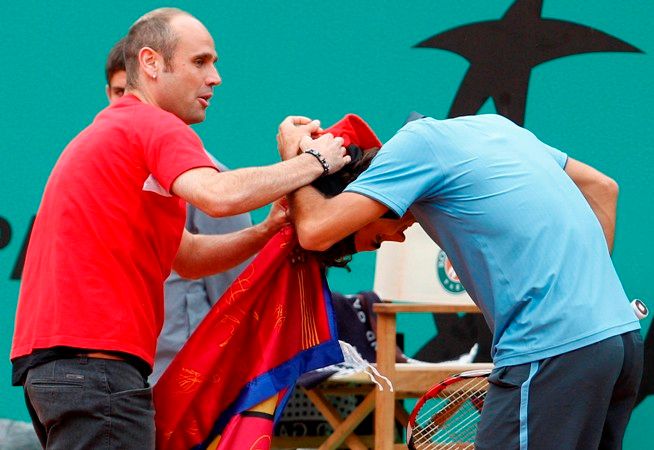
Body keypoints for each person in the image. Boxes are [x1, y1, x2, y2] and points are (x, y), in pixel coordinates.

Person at [11, 7, 349, 449]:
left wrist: (265, 230)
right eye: (200, 62)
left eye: (214, 63)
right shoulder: (154, 123)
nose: (215, 78)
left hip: (63, 371)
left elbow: (185, 258)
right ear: (151, 63)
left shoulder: (119, 130)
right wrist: (313, 162)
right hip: (96, 369)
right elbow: (218, 194)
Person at [282, 112, 643, 449]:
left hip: (552, 349)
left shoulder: (413, 147)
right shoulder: (494, 127)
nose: (398, 239)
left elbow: (314, 231)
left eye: (376, 239)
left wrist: (295, 160)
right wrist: (582, 299)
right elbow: (603, 187)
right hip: (619, 341)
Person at [102, 37, 290, 384]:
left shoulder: (211, 179)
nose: (127, 103)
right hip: (119, 365)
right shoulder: (105, 171)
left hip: (183, 372)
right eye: (118, 93)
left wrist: (314, 162)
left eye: (132, 92)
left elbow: (234, 292)